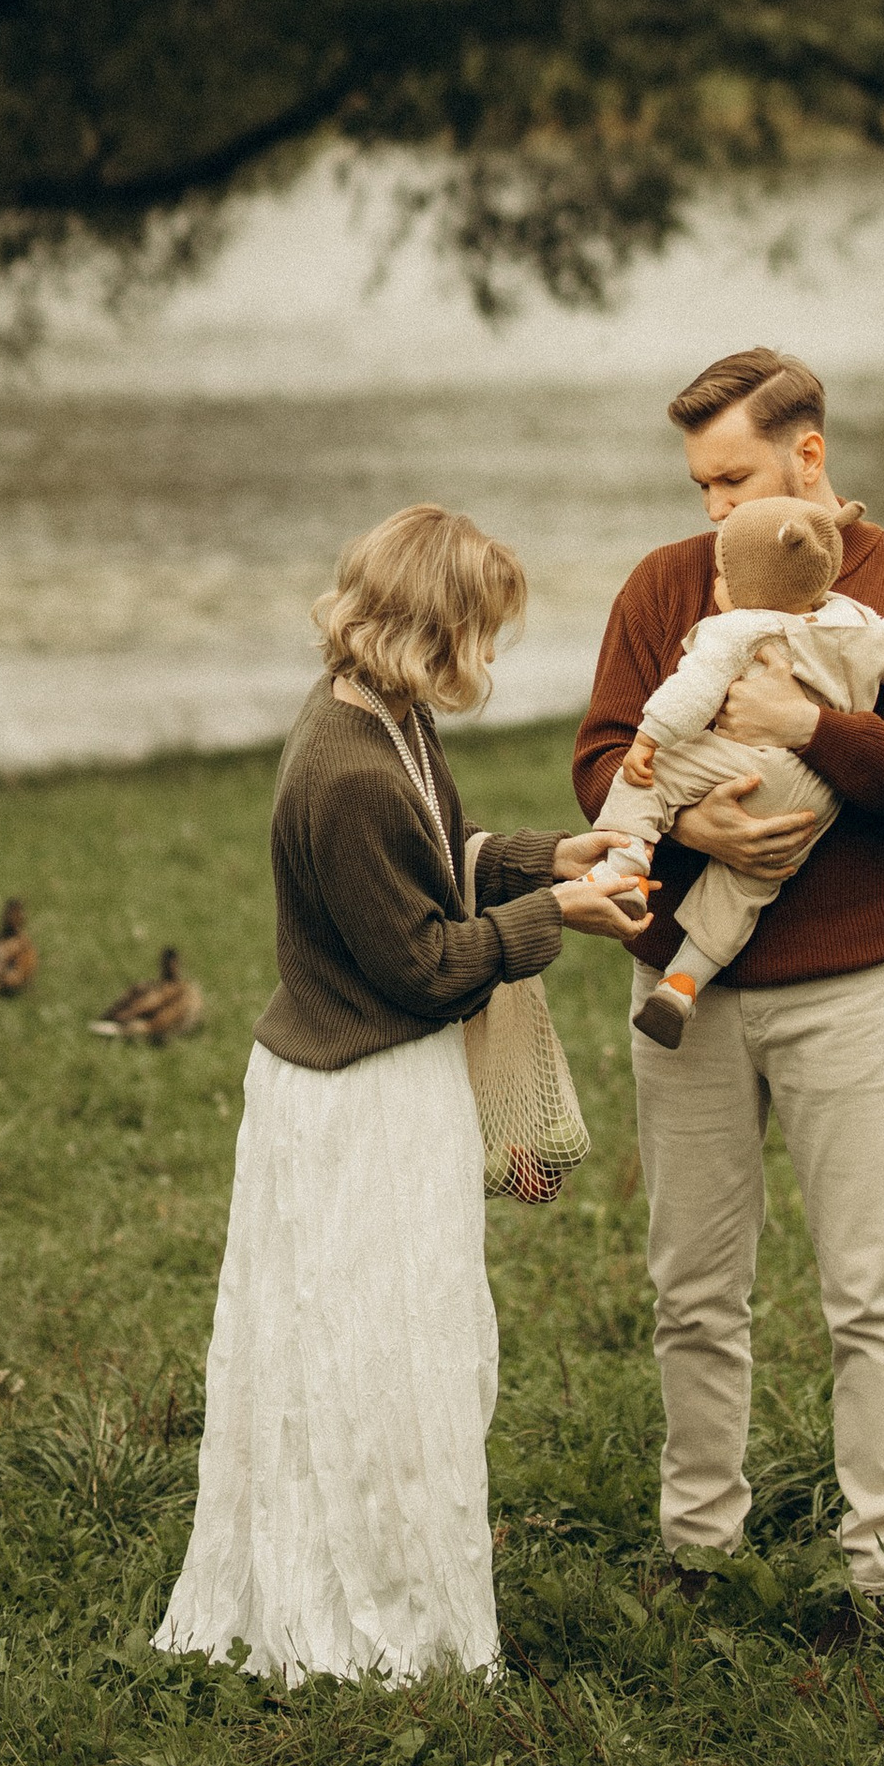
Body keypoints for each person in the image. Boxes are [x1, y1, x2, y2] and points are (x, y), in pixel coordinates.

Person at [157, 503, 643, 1686]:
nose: (491, 653)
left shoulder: (388, 721)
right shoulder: (347, 768)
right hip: (356, 1097)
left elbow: (446, 850)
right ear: (433, 629)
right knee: (372, 1353)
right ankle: (370, 1624)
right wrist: (554, 920)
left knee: (409, 1343)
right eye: (482, 628)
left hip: (374, 1078)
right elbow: (422, 965)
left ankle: (395, 1582)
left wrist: (547, 857)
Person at [573, 348, 884, 1610]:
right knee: (692, 1286)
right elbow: (606, 748)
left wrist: (811, 730)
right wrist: (692, 829)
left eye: (734, 478)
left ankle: (883, 1572)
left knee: (871, 1286)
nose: (713, 511)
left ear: (807, 457)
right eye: (700, 483)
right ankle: (698, 1549)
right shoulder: (665, 585)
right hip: (681, 994)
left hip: (846, 988)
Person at [586, 492, 884, 1047]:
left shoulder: (738, 627)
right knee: (748, 886)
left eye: (723, 575)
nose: (715, 586)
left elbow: (692, 691)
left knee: (649, 776)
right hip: (814, 793)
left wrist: (650, 737)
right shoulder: (858, 623)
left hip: (742, 761)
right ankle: (682, 985)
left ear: (749, 586)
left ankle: (627, 867)